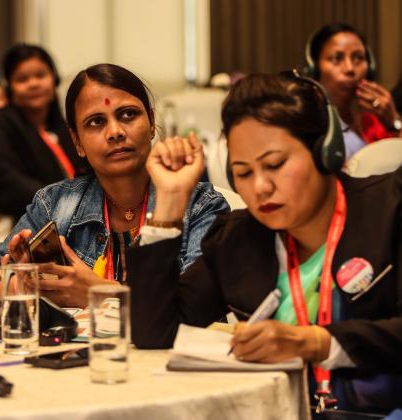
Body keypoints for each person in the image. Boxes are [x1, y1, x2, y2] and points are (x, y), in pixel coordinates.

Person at [128, 72, 402, 412]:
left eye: (275, 165)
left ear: (326, 151)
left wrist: (315, 341)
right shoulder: (236, 239)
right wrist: (169, 203)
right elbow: (154, 333)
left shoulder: (390, 210)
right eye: (243, 172)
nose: (259, 187)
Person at [0, 63, 229, 308]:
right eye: (96, 122)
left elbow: (196, 307)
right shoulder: (55, 205)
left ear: (152, 122)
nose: (116, 131)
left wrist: (101, 294)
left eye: (128, 114)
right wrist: (27, 286)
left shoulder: (200, 206)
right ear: (77, 141)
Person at [0, 44, 86, 222]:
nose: (33, 84)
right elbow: (7, 182)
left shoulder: (61, 124)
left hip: (71, 212)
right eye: (22, 79)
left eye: (41, 75)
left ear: (54, 78)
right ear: (8, 87)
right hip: (20, 218)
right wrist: (63, 201)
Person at [304, 22, 402, 160]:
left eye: (358, 58)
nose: (350, 68)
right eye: (337, 58)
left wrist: (393, 122)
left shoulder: (374, 120)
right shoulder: (308, 123)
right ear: (314, 69)